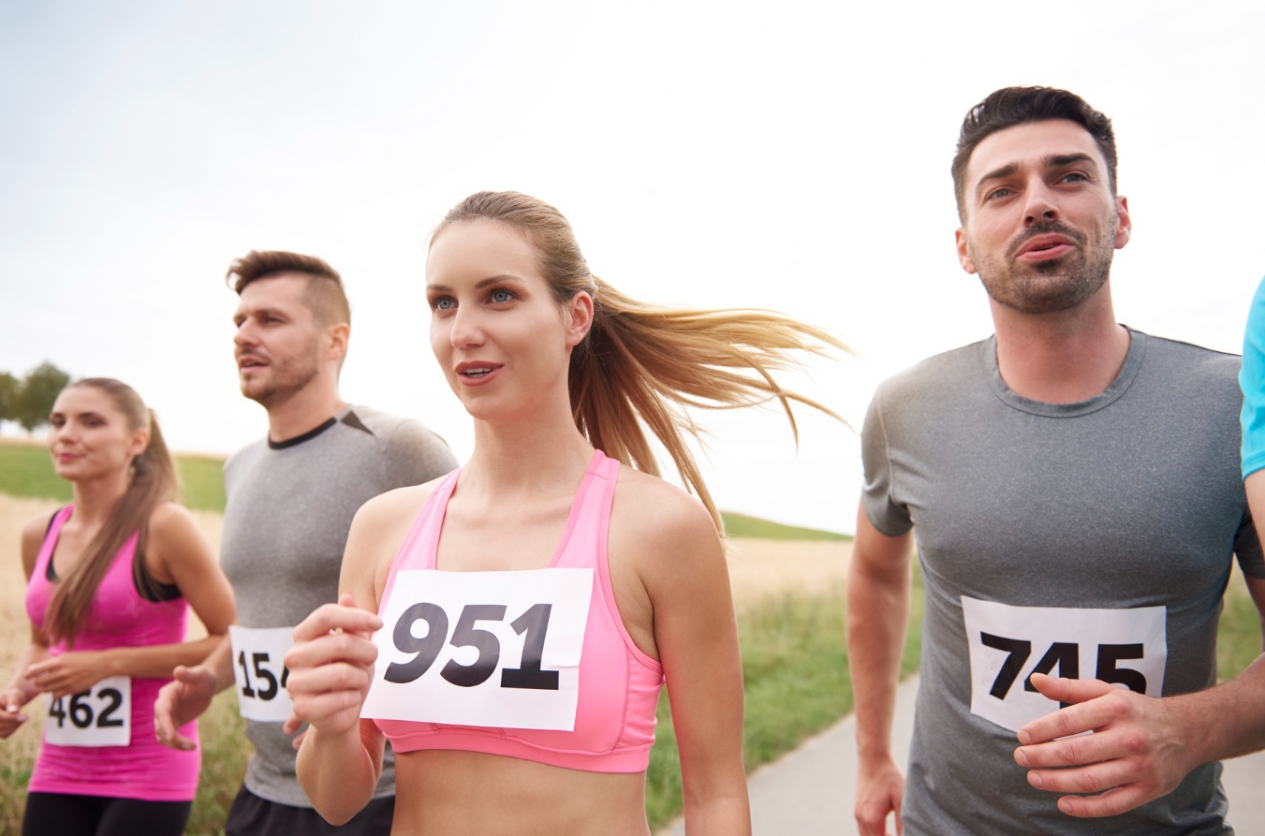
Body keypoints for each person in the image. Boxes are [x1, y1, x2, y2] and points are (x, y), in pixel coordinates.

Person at [281, 190, 845, 835]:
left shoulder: (659, 529)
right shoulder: (384, 528)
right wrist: (329, 728)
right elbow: (337, 800)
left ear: (575, 316)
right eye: (444, 302)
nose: (463, 331)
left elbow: (715, 793)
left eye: (499, 295)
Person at [847, 86, 1265, 836]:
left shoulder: (1232, 410)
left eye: (1068, 176)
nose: (1036, 202)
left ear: (1121, 217)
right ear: (964, 247)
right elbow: (875, 575)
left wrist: (1190, 730)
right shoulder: (903, 409)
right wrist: (871, 752)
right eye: (1000, 190)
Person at [153, 251, 458, 835]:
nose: (244, 335)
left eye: (270, 320)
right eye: (239, 322)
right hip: (265, 790)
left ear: (334, 340)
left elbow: (477, 592)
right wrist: (212, 678)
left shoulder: (400, 447)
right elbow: (266, 616)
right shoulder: (239, 466)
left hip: (378, 794)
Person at [0, 378, 237, 836]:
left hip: (151, 764)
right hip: (60, 764)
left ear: (137, 441)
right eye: (58, 421)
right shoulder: (37, 534)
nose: (66, 434)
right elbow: (43, 642)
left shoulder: (164, 526)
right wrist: (15, 692)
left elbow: (229, 635)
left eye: (90, 422)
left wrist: (105, 665)